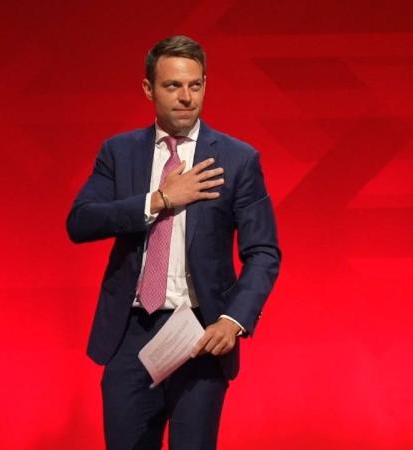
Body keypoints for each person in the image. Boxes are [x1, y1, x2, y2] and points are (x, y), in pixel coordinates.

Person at [67, 35, 281, 450]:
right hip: (131, 333)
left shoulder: (238, 159)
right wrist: (160, 199)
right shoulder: (119, 153)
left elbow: (263, 252)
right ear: (148, 89)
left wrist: (233, 320)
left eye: (195, 85)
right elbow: (81, 222)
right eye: (172, 86)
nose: (186, 97)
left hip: (201, 333)